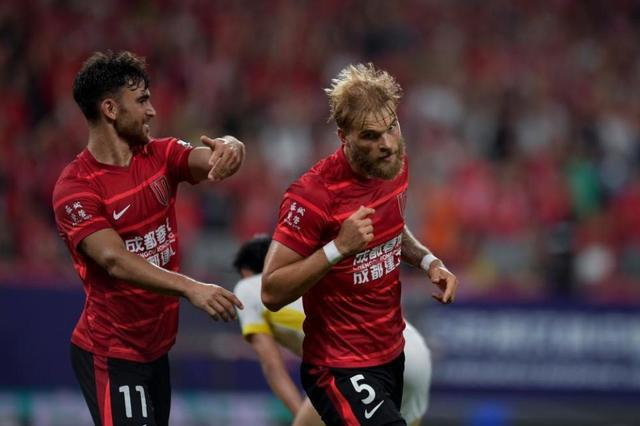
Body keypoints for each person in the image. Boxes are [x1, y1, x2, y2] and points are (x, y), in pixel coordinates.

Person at [52, 50, 245, 426]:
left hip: (156, 350)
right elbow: (114, 260)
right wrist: (191, 287)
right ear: (110, 109)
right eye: (141, 101)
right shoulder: (75, 188)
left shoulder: (160, 155)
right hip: (111, 353)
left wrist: (232, 147)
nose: (152, 111)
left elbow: (208, 159)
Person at [261, 63, 457, 426]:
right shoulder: (312, 196)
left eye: (392, 128)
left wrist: (428, 261)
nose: (387, 144)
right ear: (343, 136)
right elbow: (271, 291)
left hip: (390, 355)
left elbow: (390, 228)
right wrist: (337, 248)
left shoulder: (393, 165)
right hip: (337, 366)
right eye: (370, 136)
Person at [233, 235, 431, 426]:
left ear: (246, 271)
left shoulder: (248, 287)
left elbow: (272, 366)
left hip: (355, 361)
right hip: (411, 350)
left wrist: (301, 416)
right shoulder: (319, 269)